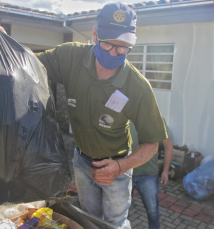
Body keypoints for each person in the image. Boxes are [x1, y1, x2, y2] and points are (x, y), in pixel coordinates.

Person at [36, 3, 168, 228]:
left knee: (115, 224)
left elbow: (152, 144)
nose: (114, 53)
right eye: (108, 44)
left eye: (123, 47)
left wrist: (121, 167)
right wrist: (5, 45)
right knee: (89, 219)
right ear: (95, 34)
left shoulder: (138, 87)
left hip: (117, 166)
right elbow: (28, 64)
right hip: (82, 161)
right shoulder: (71, 57)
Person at [131, 120, 173, 229]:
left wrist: (165, 170)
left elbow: (168, 145)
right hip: (125, 174)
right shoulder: (123, 117)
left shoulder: (157, 119)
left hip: (148, 175)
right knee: (120, 212)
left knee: (153, 212)